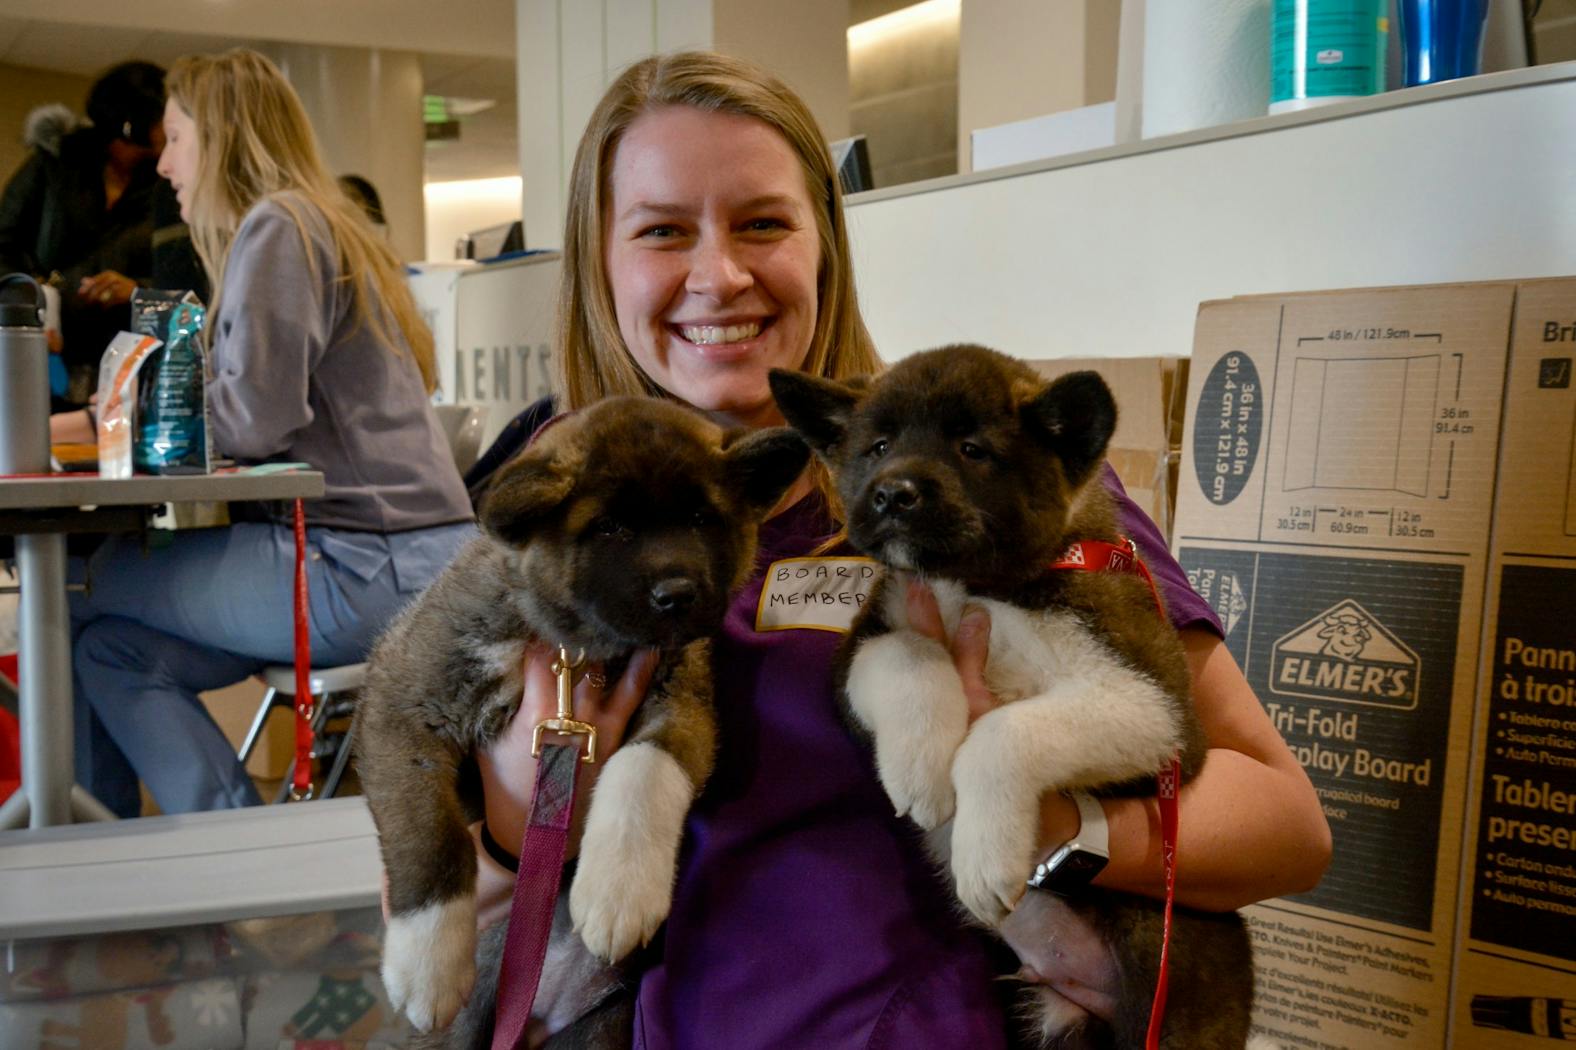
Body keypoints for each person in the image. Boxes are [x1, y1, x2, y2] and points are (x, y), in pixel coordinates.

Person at [463, 51, 1331, 1047]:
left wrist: (1059, 831)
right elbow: (478, 925)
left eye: (762, 223)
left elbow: (1286, 828)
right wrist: (515, 818)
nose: (720, 275)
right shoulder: (550, 542)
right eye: (663, 231)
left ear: (823, 246)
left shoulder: (995, 494)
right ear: (598, 261)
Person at [54, 49, 475, 819]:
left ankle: (92, 865)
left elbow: (252, 418)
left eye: (176, 139)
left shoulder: (277, 225)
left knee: (69, 589)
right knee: (107, 651)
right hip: (407, 563)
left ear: (220, 138)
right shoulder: (322, 225)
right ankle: (228, 870)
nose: (164, 164)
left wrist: (91, 422)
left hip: (360, 567)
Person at [0, 61, 167, 400]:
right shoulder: (56, 161)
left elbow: (182, 279)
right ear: (133, 124)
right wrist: (33, 308)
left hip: (125, 360)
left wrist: (136, 289)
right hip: (39, 354)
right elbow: (2, 245)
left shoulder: (169, 183)